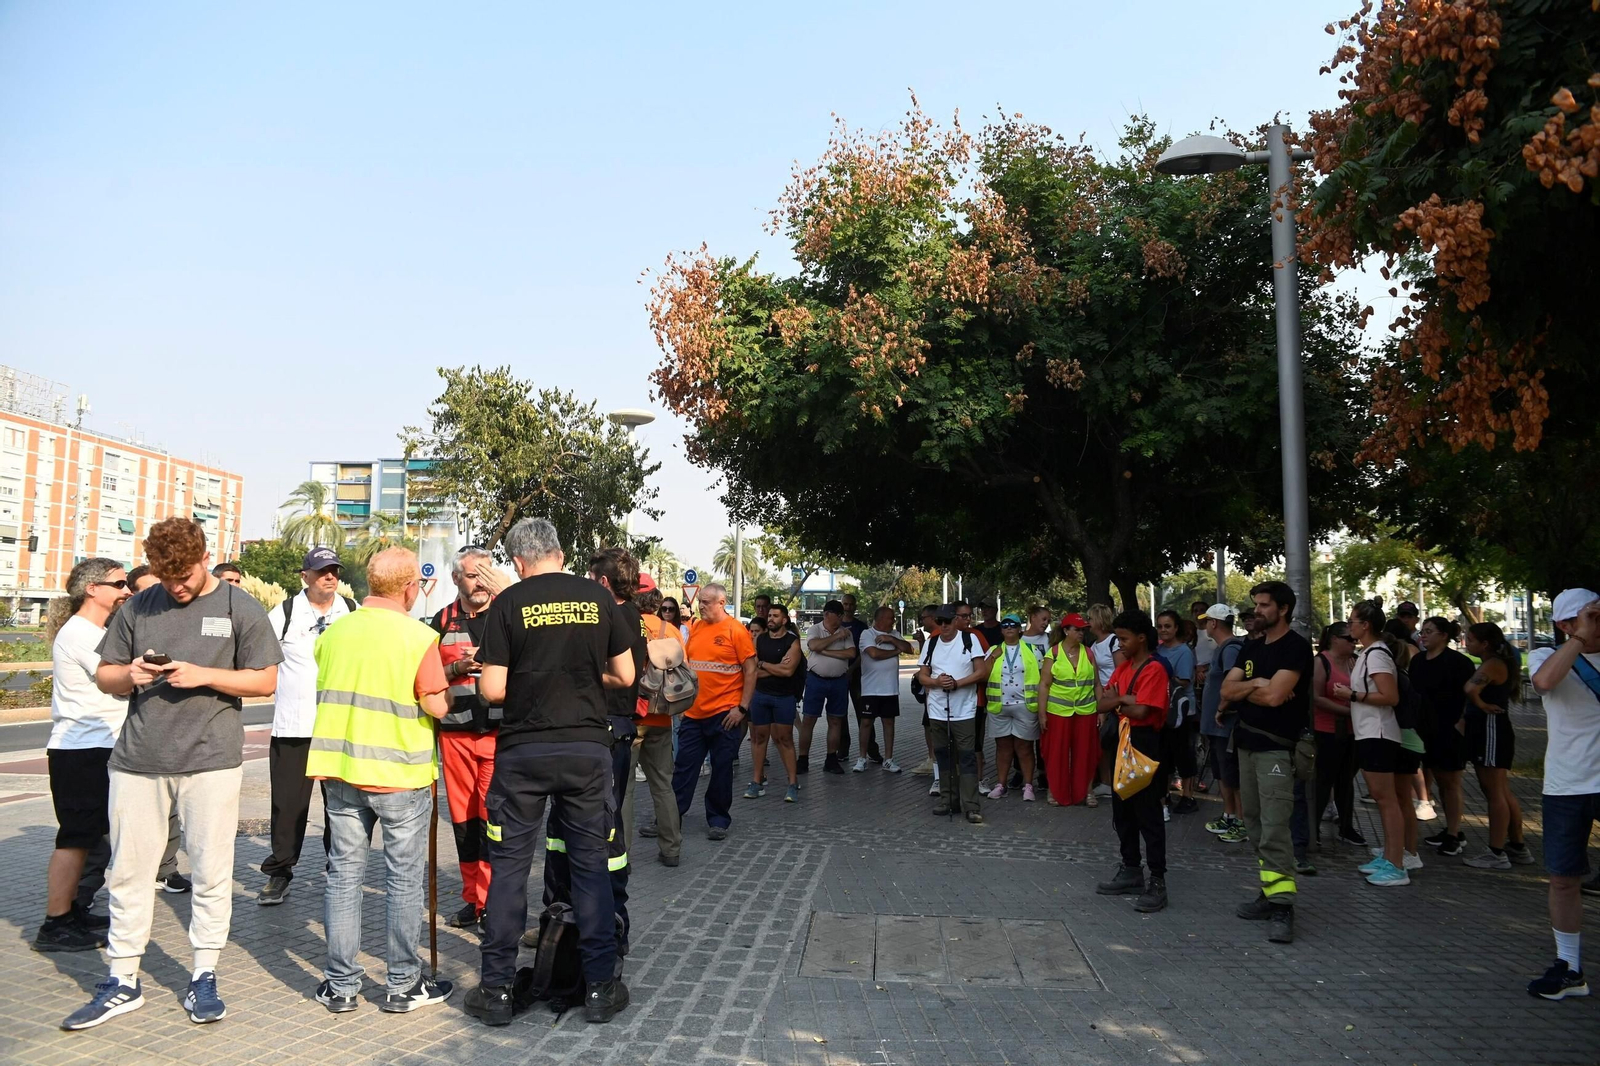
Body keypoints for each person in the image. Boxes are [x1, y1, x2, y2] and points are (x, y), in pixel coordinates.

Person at [63, 518, 281, 1031]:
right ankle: (123, 978)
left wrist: (204, 675)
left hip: (211, 761)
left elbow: (266, 680)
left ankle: (204, 973)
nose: (176, 587)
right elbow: (106, 675)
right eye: (166, 577)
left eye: (183, 576)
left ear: (204, 558)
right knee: (128, 872)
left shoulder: (239, 606)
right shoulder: (138, 605)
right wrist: (130, 674)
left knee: (210, 871)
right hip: (138, 760)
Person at [466, 519, 635, 1027]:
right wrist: (581, 676)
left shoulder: (509, 603)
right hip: (586, 750)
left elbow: (491, 689)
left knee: (509, 870)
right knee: (590, 867)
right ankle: (600, 986)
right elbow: (626, 675)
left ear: (518, 562)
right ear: (560, 553)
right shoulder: (598, 597)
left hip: (523, 753)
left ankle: (496, 989)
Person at [306, 547, 453, 1014]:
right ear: (410, 588)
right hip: (399, 774)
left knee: (343, 877)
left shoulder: (334, 631)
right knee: (403, 881)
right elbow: (436, 705)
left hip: (341, 771)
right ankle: (402, 984)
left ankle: (340, 986)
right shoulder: (418, 636)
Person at [34, 559, 131, 953]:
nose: (127, 590)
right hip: (81, 750)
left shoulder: (98, 631)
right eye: (119, 584)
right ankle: (55, 924)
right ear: (92, 588)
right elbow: (119, 682)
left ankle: (73, 911)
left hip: (97, 747)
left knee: (90, 838)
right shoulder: (80, 633)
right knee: (74, 839)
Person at [255, 547, 357, 907]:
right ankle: (280, 871)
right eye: (322, 571)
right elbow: (260, 661)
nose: (330, 577)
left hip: (338, 726)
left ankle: (339, 869)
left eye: (334, 571)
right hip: (293, 726)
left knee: (341, 805)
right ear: (305, 576)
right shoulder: (283, 614)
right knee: (288, 805)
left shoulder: (352, 611)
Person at [1221, 581, 1313, 941]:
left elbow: (1275, 698)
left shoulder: (1296, 648)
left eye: (1263, 605)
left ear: (1283, 609)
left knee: (1275, 829)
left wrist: (1252, 690)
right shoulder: (1252, 646)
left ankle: (1283, 907)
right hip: (1246, 745)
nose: (1256, 611)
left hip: (1276, 750)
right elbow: (1227, 690)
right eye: (1256, 604)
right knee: (1256, 827)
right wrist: (1258, 683)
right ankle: (1270, 891)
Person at [426, 546, 508, 929]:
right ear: (456, 578)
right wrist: (457, 666)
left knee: (494, 818)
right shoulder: (442, 620)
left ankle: (491, 900)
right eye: (473, 575)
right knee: (464, 821)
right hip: (455, 735)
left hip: (499, 733)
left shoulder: (507, 615)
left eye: (486, 575)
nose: (481, 583)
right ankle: (473, 899)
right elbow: (425, 675)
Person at [1525, 589, 1600, 1000]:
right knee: (1563, 878)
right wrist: (1579, 638)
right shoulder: (1546, 656)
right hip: (1567, 784)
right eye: (1587, 617)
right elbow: (1544, 683)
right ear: (1565, 625)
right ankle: (1570, 967)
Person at [1332, 601, 1413, 887]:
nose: (1349, 626)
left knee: (1386, 799)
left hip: (1378, 734)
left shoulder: (1377, 654)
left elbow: (1390, 697)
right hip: (1370, 733)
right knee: (1382, 799)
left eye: (1352, 621)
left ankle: (1396, 864)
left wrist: (1352, 695)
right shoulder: (1369, 653)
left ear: (1365, 625)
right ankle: (1390, 856)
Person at [1093, 609, 1169, 913]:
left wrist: (1118, 700)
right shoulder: (1124, 668)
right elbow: (1101, 703)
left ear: (1141, 638)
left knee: (1148, 814)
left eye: (1124, 639)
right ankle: (1131, 868)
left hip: (1145, 744)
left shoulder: (1154, 669)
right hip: (1123, 742)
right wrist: (1126, 699)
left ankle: (1158, 880)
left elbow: (1142, 711)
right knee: (1122, 811)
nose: (1119, 644)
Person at [674, 583, 755, 840]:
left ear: (721, 603)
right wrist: (682, 703)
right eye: (700, 601)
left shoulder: (736, 630)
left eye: (706, 602)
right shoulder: (696, 627)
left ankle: (718, 820)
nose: (701, 606)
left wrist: (741, 708)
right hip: (693, 714)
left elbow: (751, 670)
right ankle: (670, 818)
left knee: (721, 769)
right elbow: (688, 667)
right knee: (684, 768)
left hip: (725, 716)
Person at [1460, 622, 1533, 870]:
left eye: (1470, 639)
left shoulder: (1493, 664)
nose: (1466, 643)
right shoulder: (1495, 662)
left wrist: (1481, 705)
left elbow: (1470, 688)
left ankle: (1496, 851)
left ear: (1485, 644)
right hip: (1491, 730)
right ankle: (1517, 845)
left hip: (1491, 730)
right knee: (1500, 789)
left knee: (1494, 792)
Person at [917, 604, 988, 822]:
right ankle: (948, 800)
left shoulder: (969, 640)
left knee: (966, 756)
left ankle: (971, 806)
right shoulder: (931, 643)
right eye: (939, 621)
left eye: (947, 621)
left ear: (956, 620)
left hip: (964, 710)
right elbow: (922, 675)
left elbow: (981, 672)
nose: (944, 625)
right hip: (937, 709)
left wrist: (957, 683)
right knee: (943, 755)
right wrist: (937, 682)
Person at [1411, 617, 1474, 856]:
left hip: (1449, 731)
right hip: (1425, 731)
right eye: (1422, 631)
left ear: (1444, 635)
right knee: (1438, 779)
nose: (1423, 636)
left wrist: (1461, 723)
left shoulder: (1459, 663)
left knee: (1451, 782)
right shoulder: (1418, 661)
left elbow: (1470, 696)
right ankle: (1450, 828)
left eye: (1429, 631)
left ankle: (1454, 834)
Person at [635, 578, 684, 865]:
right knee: (663, 785)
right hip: (662, 715)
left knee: (624, 789)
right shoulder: (672, 631)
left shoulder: (626, 624)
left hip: (632, 715)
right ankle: (671, 849)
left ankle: (620, 855)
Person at [1310, 622, 1364, 848]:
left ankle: (1346, 826)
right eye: (1349, 639)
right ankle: (1313, 829)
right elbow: (1316, 697)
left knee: (1346, 780)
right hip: (1327, 730)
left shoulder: (1355, 661)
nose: (1354, 643)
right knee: (1323, 780)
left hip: (1353, 730)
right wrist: (1350, 710)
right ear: (1334, 639)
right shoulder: (1321, 661)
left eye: (1355, 639)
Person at [1198, 605, 1248, 843]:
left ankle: (1241, 821)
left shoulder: (1231, 649)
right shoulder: (1223, 648)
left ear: (1214, 623)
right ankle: (1229, 815)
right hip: (1216, 726)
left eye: (1206, 621)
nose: (1205, 625)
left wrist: (1221, 709)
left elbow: (1233, 684)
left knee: (1232, 774)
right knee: (1221, 772)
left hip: (1225, 725)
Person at [1039, 613, 1099, 807]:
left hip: (1086, 711)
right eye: (1077, 629)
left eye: (1083, 630)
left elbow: (1096, 684)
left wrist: (1101, 710)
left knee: (1086, 753)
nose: (1081, 633)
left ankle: (1086, 791)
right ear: (1066, 631)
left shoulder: (1088, 653)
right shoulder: (1054, 653)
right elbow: (1044, 684)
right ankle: (1054, 790)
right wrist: (1042, 713)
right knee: (1056, 753)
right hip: (1058, 711)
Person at [983, 614, 1040, 800]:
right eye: (1005, 625)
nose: (1009, 628)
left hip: (1025, 704)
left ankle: (1028, 785)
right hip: (999, 706)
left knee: (1025, 747)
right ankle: (1001, 785)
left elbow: (1044, 677)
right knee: (1003, 747)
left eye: (1013, 625)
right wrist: (993, 656)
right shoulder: (993, 650)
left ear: (1019, 629)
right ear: (1001, 630)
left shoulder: (1032, 650)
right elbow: (983, 674)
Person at [748, 603, 802, 802]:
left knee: (784, 739)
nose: (770, 618)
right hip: (760, 695)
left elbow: (788, 671)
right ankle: (757, 781)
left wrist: (764, 664)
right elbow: (753, 671)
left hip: (783, 697)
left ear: (784, 620)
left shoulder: (792, 642)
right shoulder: (760, 640)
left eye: (775, 616)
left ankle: (792, 783)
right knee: (759, 737)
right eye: (769, 615)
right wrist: (775, 667)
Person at [798, 600, 856, 775]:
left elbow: (851, 653)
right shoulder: (815, 629)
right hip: (816, 679)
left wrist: (826, 651)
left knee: (836, 720)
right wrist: (836, 637)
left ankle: (831, 759)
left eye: (841, 616)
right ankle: (803, 759)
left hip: (839, 681)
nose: (840, 619)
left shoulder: (846, 632)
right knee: (809, 719)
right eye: (837, 615)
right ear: (826, 614)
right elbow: (814, 645)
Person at [857, 605, 911, 773]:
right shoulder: (867, 634)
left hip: (890, 688)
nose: (893, 620)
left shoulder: (895, 634)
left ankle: (888, 760)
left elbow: (909, 649)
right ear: (880, 619)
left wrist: (892, 640)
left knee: (889, 723)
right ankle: (861, 758)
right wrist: (896, 651)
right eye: (891, 618)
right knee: (866, 722)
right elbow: (874, 654)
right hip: (870, 689)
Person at [1156, 610, 1199, 815]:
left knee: (1184, 755)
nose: (1163, 630)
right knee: (1165, 755)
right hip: (1164, 710)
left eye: (1167, 626)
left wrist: (1160, 677)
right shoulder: (1158, 649)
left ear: (1176, 628)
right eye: (1160, 626)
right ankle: (1165, 795)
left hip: (1182, 711)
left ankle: (1188, 796)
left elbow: (1184, 681)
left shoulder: (1184, 651)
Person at [953, 602, 992, 786]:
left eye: (970, 615)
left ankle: (978, 780)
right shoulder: (938, 637)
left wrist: (958, 683)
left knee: (974, 742)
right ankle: (951, 781)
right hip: (947, 702)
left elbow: (985, 669)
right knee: (951, 744)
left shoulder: (975, 636)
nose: (969, 619)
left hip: (975, 699)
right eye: (964, 616)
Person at [1087, 604, 1122, 800]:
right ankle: (1106, 782)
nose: (1088, 623)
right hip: (1100, 698)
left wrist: (1112, 696)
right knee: (1104, 742)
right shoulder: (1094, 645)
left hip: (1112, 698)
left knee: (1111, 741)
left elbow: (1121, 670)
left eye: (1090, 619)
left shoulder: (1114, 642)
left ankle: (1113, 781)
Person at [839, 592, 876, 765]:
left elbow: (864, 651)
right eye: (845, 604)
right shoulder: (835, 626)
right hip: (839, 675)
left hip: (858, 675)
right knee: (840, 713)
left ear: (855, 606)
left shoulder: (861, 627)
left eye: (851, 604)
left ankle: (871, 749)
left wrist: (852, 669)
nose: (848, 608)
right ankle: (842, 749)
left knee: (864, 713)